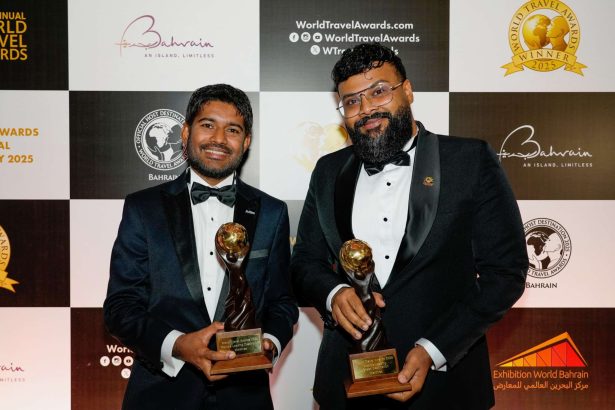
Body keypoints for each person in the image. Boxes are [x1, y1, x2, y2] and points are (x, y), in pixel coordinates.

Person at [290, 43, 528, 409]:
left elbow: (505, 273)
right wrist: (333, 292)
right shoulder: (327, 171)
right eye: (352, 101)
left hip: (445, 387)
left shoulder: (469, 160)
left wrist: (433, 349)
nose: (366, 109)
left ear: (408, 90)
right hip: (345, 385)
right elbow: (305, 261)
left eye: (379, 92)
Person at [104, 84, 298, 410]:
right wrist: (178, 345)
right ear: (185, 132)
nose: (219, 139)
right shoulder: (143, 208)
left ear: (246, 142)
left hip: (244, 397)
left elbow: (282, 302)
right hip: (160, 395)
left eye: (232, 130)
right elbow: (120, 308)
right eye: (208, 125)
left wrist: (269, 343)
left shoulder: (272, 212)